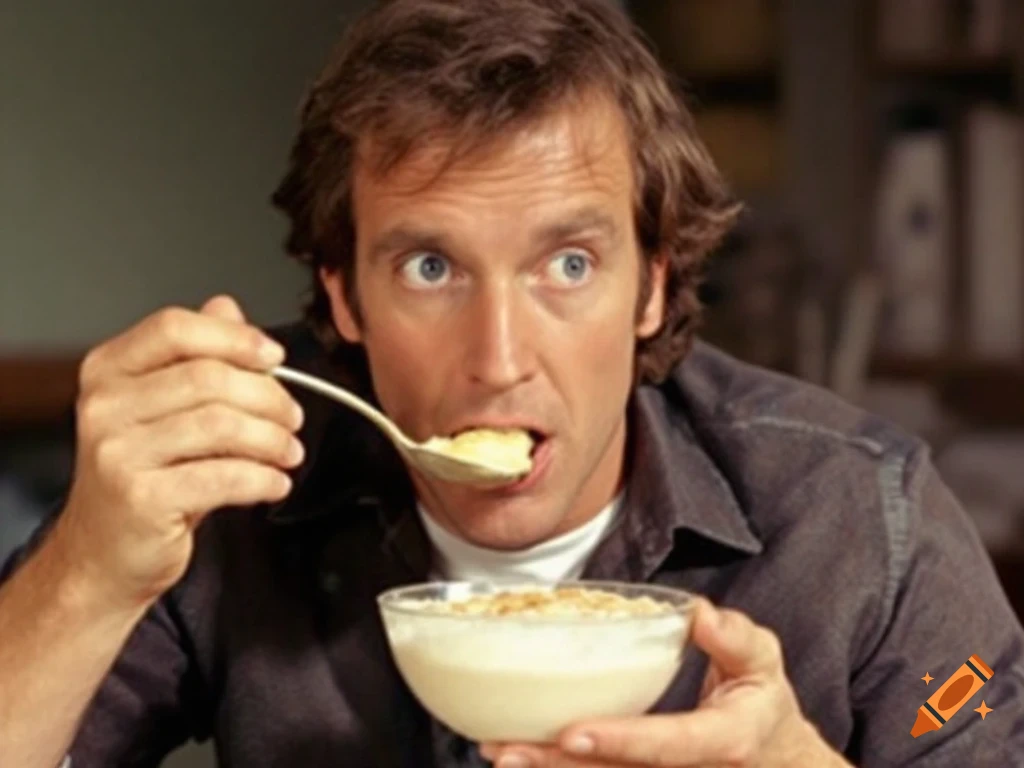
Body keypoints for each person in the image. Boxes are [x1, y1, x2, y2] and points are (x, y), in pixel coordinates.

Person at [1, 0, 1021, 766]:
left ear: (650, 286)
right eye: (429, 268)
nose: (497, 359)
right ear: (343, 295)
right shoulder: (236, 489)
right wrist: (90, 568)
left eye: (567, 265)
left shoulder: (860, 523)